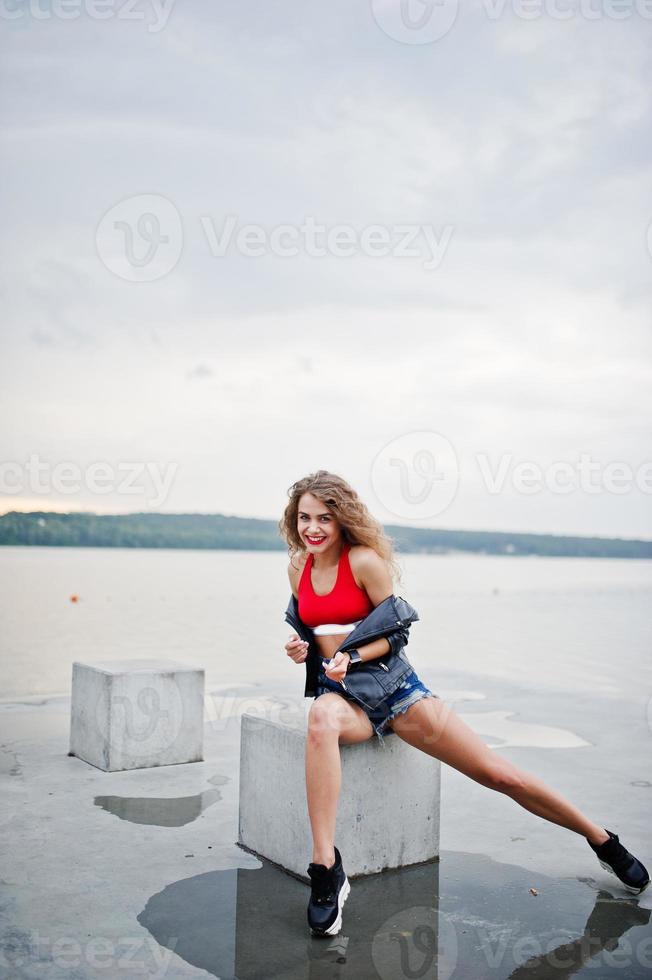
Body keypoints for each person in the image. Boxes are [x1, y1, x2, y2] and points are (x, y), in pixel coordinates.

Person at [278, 470, 650, 938]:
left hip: (396, 694)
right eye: (305, 518)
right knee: (319, 718)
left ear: (342, 518)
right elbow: (311, 632)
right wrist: (303, 651)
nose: (313, 528)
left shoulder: (365, 561)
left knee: (499, 774)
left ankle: (601, 839)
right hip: (345, 701)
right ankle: (326, 867)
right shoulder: (298, 567)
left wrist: (350, 655)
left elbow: (395, 634)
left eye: (324, 518)